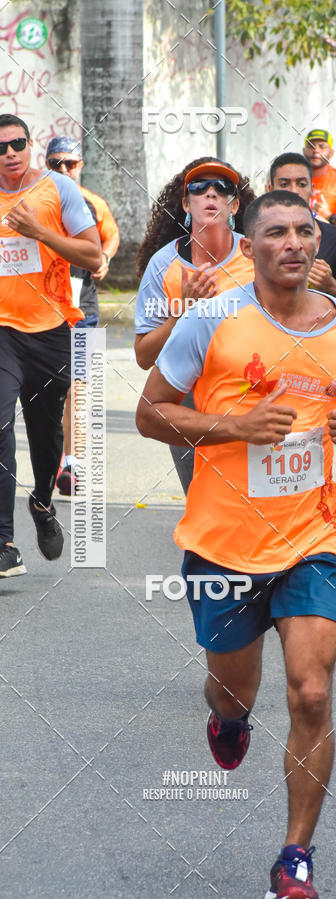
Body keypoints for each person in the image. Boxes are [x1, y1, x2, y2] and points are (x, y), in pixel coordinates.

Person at [136, 190, 336, 897]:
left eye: (305, 230)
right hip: (224, 542)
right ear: (250, 247)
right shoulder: (211, 319)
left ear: (318, 242)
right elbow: (150, 413)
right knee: (231, 690)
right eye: (276, 232)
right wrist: (236, 427)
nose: (293, 243)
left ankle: (294, 857)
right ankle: (229, 718)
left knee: (312, 692)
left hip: (315, 536)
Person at [0, 114, 101, 577]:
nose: (10, 153)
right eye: (1, 147)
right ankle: (4, 542)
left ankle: (42, 501)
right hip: (2, 332)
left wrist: (39, 232)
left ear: (29, 144)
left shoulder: (58, 190)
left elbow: (93, 254)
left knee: (45, 437)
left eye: (17, 143)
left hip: (49, 329)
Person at [134, 158, 255, 493]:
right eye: (199, 188)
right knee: (202, 499)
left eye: (223, 188)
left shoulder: (256, 255)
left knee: (255, 502)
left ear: (235, 205)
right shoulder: (163, 265)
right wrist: (184, 313)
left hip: (251, 389)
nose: (211, 194)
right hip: (187, 400)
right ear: (187, 204)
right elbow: (144, 356)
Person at [45, 136, 120, 496]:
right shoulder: (36, 202)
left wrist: (104, 257)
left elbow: (111, 236)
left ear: (81, 166)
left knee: (79, 385)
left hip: (83, 308)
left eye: (70, 164)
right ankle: (50, 458)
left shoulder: (93, 202)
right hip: (42, 310)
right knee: (47, 390)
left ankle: (71, 464)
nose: (63, 170)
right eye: (55, 163)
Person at [268, 152, 336, 302]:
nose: (294, 191)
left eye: (302, 184)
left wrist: (332, 287)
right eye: (284, 184)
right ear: (270, 189)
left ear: (312, 189)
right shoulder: (254, 239)